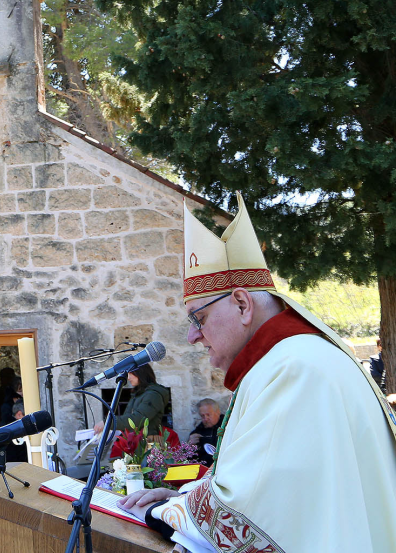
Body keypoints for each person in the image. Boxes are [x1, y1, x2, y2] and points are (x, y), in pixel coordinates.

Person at [119, 194, 396, 552]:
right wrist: (182, 495)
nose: (192, 336)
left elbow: (254, 511)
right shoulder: (289, 361)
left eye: (198, 318)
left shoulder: (292, 370)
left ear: (242, 304)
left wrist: (164, 512)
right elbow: (275, 491)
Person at [93, 363, 175, 444]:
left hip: (147, 446)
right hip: (136, 444)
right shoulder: (139, 393)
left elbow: (138, 419)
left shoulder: (153, 395)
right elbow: (128, 418)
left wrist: (108, 422)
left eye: (131, 374)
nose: (128, 378)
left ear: (141, 373)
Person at [187, 399, 223, 467]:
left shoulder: (228, 426)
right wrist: (189, 446)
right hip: (204, 471)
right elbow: (189, 460)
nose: (205, 418)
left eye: (208, 415)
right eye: (202, 416)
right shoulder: (197, 433)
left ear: (217, 412)